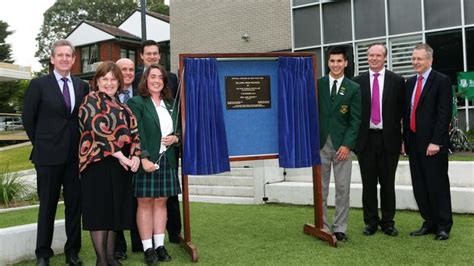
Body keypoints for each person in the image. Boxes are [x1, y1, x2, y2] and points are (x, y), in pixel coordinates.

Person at [22, 39, 88, 266]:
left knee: (74, 208)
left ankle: (73, 253)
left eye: (68, 55)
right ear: (52, 59)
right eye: (59, 55)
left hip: (75, 158)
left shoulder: (82, 86)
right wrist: (42, 143)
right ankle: (43, 254)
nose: (64, 59)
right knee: (47, 207)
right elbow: (28, 119)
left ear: (73, 59)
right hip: (48, 157)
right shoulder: (39, 85)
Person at [78, 61, 141, 265]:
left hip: (119, 166)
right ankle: (102, 259)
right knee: (99, 212)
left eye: (113, 79)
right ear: (97, 81)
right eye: (104, 79)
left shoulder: (123, 105)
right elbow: (97, 130)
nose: (109, 83)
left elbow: (134, 133)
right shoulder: (90, 100)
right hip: (97, 163)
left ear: (119, 82)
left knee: (115, 212)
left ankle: (111, 257)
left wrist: (136, 156)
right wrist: (122, 157)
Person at [127, 64, 181, 265]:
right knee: (144, 203)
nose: (157, 80)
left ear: (164, 81)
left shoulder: (171, 103)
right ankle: (147, 248)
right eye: (153, 77)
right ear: (146, 80)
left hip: (167, 161)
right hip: (146, 160)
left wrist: (176, 139)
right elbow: (135, 133)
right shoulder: (137, 102)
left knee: (161, 202)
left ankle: (160, 245)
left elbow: (179, 129)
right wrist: (143, 158)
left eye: (160, 77)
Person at [353, 43, 405, 237]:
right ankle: (371, 222)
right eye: (370, 55)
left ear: (385, 58)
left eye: (378, 55)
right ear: (367, 58)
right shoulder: (356, 82)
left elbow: (402, 111)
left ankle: (388, 222)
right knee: (368, 184)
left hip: (388, 139)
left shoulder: (398, 81)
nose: (374, 58)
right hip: (365, 141)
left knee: (388, 183)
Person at [403, 43, 453, 240]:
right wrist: (404, 139)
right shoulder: (409, 83)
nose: (415, 62)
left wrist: (436, 142)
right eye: (413, 58)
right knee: (420, 185)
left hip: (433, 144)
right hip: (414, 142)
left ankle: (443, 225)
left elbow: (443, 114)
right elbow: (407, 114)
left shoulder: (441, 81)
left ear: (430, 60)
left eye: (419, 59)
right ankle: (429, 222)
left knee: (437, 184)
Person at [318, 46, 361, 242]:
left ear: (346, 63)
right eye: (332, 61)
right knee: (321, 188)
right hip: (320, 145)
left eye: (339, 61)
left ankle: (340, 227)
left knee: (342, 188)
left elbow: (355, 120)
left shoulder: (353, 88)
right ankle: (323, 225)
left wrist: (347, 145)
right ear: (328, 63)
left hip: (342, 146)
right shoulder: (317, 84)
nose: (335, 65)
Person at [114, 58, 143, 260]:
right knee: (117, 200)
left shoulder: (141, 94)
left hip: (136, 153)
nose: (127, 72)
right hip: (113, 154)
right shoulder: (108, 95)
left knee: (136, 199)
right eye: (123, 69)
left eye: (131, 69)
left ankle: (138, 242)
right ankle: (119, 246)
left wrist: (137, 153)